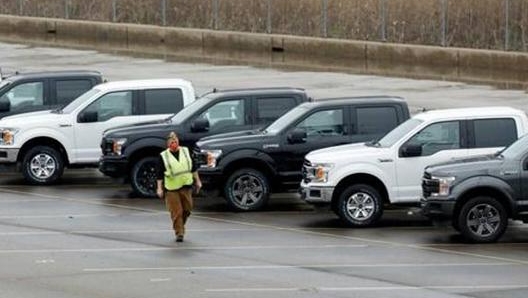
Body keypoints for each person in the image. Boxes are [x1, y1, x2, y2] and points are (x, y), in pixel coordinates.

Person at [156, 132, 202, 242]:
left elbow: (193, 168)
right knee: (177, 212)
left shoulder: (186, 151)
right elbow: (159, 173)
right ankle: (179, 233)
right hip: (172, 189)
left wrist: (198, 181)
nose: (174, 143)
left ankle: (180, 225)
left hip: (186, 186)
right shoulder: (164, 156)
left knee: (187, 209)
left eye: (175, 141)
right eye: (172, 142)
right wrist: (159, 188)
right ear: (168, 144)